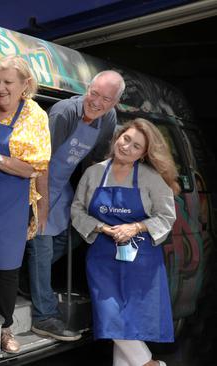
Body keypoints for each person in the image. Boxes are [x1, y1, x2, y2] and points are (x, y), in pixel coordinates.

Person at [26, 70, 125, 341]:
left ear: (115, 102)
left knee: (81, 233)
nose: (96, 102)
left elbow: (95, 160)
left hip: (64, 185)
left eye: (105, 98)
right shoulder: (63, 113)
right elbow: (40, 160)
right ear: (87, 89)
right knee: (42, 243)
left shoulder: (109, 118)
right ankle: (44, 315)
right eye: (93, 93)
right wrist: (42, 206)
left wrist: (97, 199)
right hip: (37, 182)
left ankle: (31, 277)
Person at [71, 118, 178, 366]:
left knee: (129, 322)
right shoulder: (94, 173)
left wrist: (135, 226)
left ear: (143, 154)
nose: (127, 147)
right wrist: (102, 227)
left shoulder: (151, 178)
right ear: (118, 137)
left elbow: (166, 215)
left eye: (136, 146)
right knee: (111, 317)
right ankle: (151, 365)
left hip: (141, 260)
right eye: (126, 139)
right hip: (102, 258)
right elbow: (77, 211)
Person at [0, 56, 51, 353]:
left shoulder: (33, 116)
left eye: (8, 82)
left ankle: (5, 328)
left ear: (25, 85)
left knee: (6, 268)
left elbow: (33, 168)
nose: (0, 88)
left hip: (11, 200)